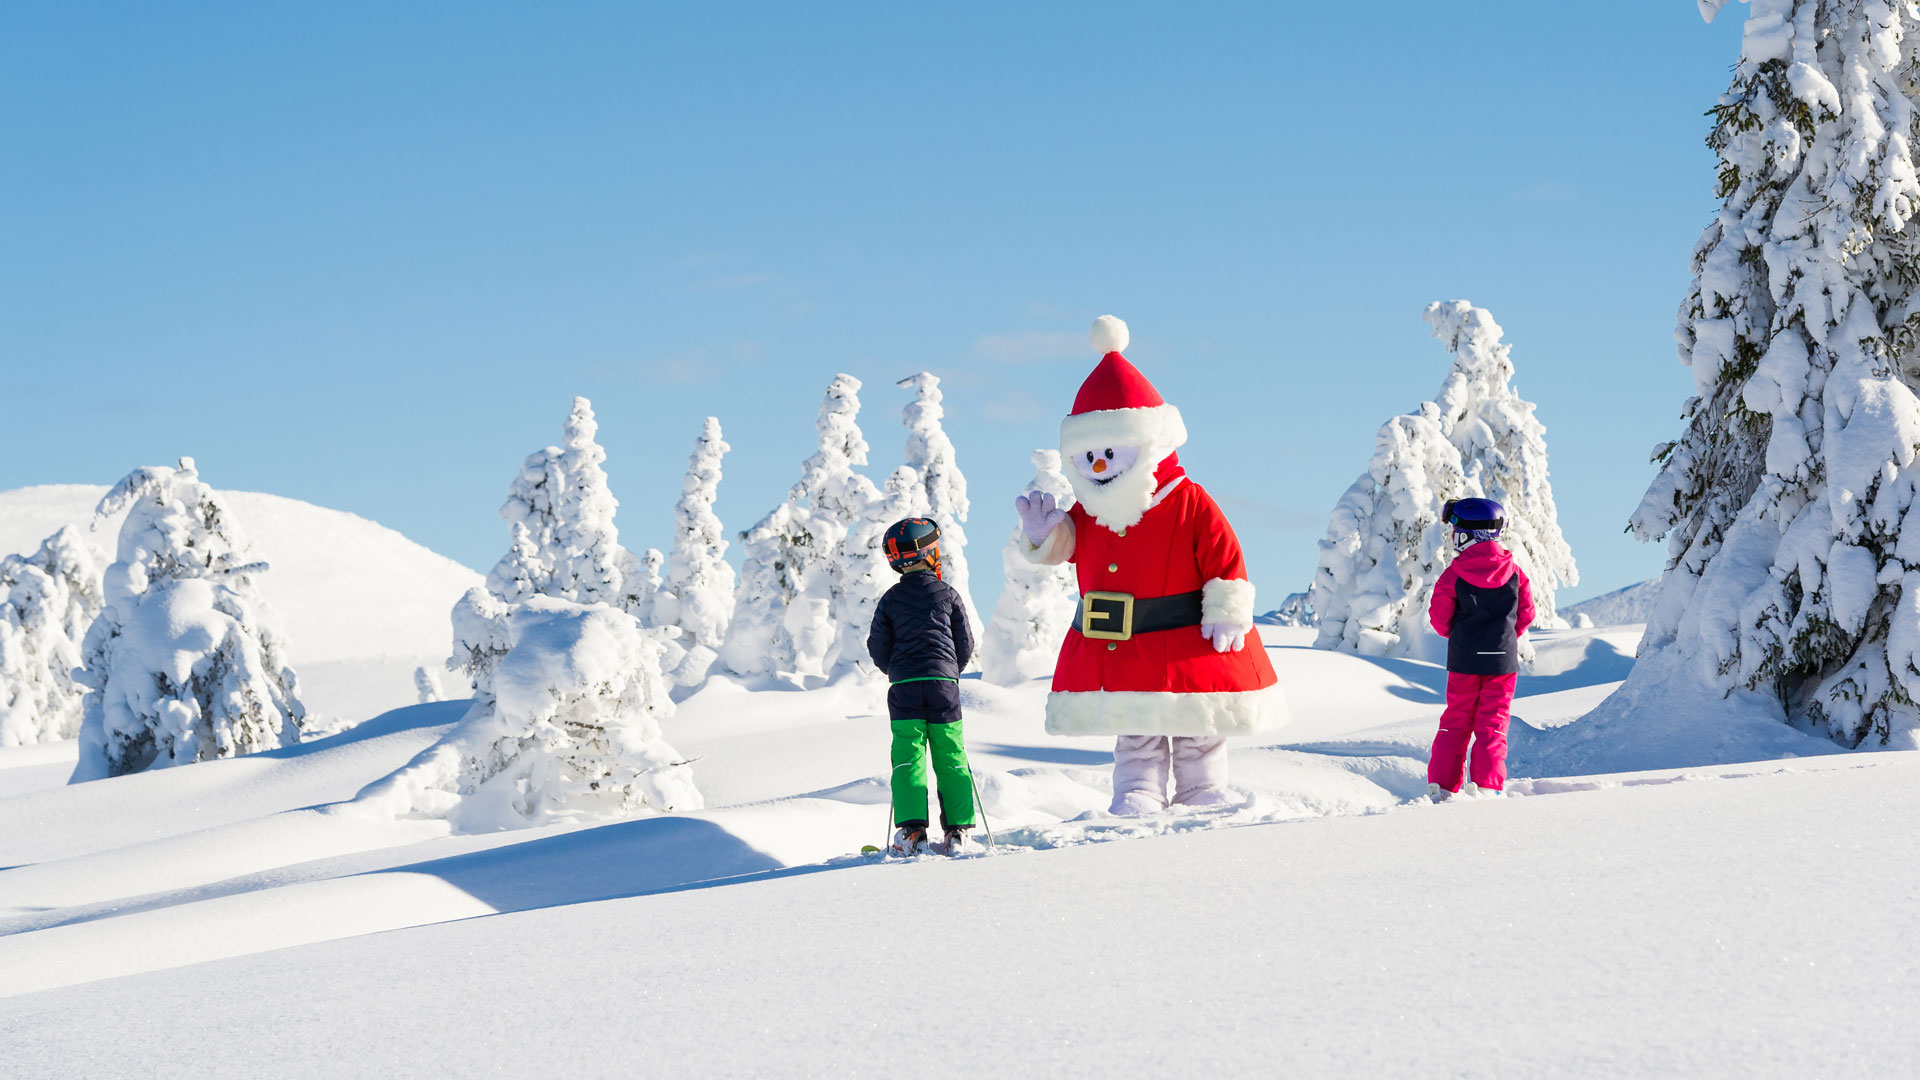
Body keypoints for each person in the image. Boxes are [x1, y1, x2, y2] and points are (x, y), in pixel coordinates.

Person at [868, 517, 979, 854]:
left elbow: (878, 647)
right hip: (943, 685)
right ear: (930, 552)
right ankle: (958, 831)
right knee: (950, 753)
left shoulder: (890, 599)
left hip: (904, 687)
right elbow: (965, 643)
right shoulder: (948, 594)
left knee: (908, 754)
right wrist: (948, 670)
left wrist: (897, 669)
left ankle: (913, 832)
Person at [1426, 497, 1534, 800]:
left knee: (1456, 721)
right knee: (1493, 723)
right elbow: (1526, 613)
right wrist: (1504, 638)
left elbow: (1439, 618)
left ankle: (1442, 787)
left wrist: (1462, 636)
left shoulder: (1454, 573)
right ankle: (1487, 786)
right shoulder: (1515, 572)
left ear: (1466, 536)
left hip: (1465, 660)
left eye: (1455, 533)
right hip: (1502, 663)